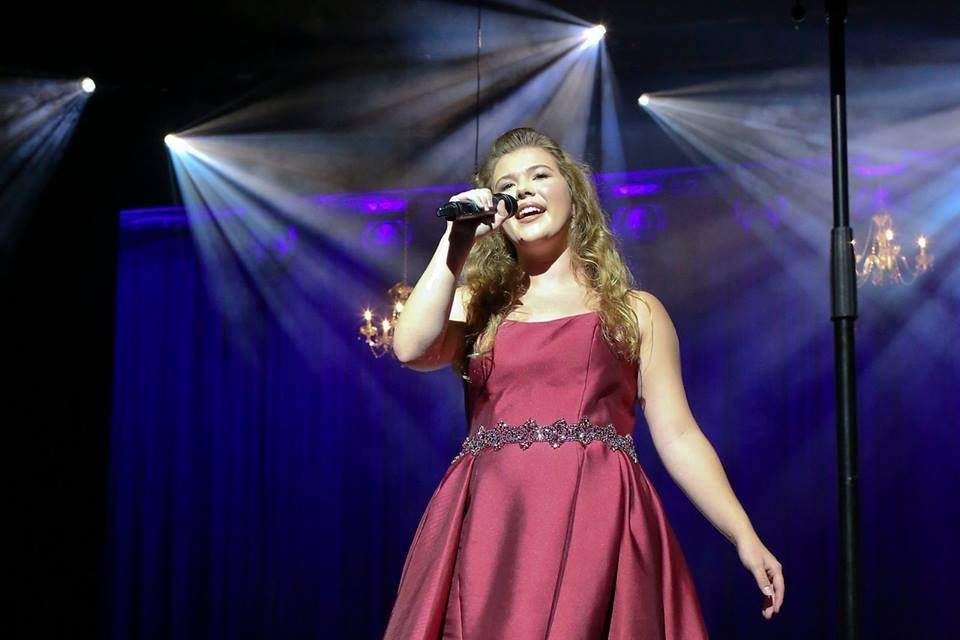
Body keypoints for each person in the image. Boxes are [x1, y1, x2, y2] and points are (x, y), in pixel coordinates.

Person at [384, 128, 784, 639]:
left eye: (540, 175)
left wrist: (743, 535)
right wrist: (456, 240)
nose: (523, 189)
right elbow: (411, 348)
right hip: (494, 525)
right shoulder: (476, 305)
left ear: (573, 191)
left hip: (599, 520)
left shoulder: (635, 312)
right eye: (508, 184)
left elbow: (679, 436)